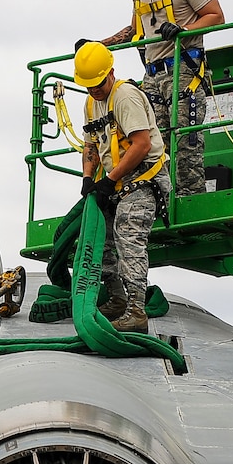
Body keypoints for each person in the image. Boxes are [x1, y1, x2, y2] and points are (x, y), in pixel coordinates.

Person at [77, 0, 224, 197]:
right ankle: (161, 197)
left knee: (186, 139)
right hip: (153, 76)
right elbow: (133, 30)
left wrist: (183, 30)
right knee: (154, 142)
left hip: (183, 71)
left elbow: (216, 16)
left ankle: (190, 199)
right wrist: (98, 45)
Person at [75, 42, 171, 333]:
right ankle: (116, 297)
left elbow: (141, 144)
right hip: (115, 183)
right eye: (89, 86)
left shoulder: (125, 96)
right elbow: (90, 145)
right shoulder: (92, 103)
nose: (95, 90)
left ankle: (136, 310)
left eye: (99, 84)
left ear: (111, 73)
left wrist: (109, 179)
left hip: (144, 180)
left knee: (127, 234)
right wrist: (89, 179)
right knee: (95, 234)